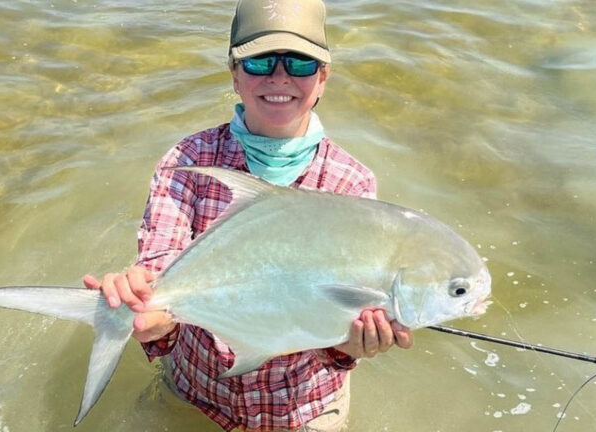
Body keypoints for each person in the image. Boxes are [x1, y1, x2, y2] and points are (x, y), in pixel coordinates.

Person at [83, 0, 413, 430]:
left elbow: (338, 319)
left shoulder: (351, 184)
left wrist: (351, 345)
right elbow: (159, 278)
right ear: (235, 74)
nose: (280, 77)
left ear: (324, 77)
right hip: (196, 396)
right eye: (259, 62)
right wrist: (144, 314)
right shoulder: (188, 161)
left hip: (305, 410)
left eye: (300, 62)